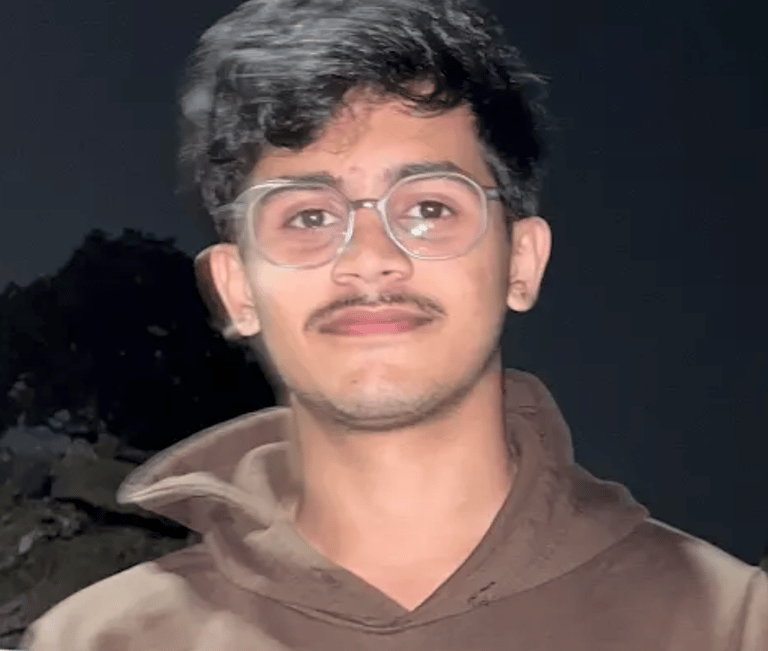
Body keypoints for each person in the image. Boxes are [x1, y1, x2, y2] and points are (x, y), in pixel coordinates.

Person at [21, 0, 768, 648]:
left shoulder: (731, 624)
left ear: (522, 261)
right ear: (235, 286)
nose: (370, 259)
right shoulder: (94, 640)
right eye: (308, 217)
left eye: (429, 208)